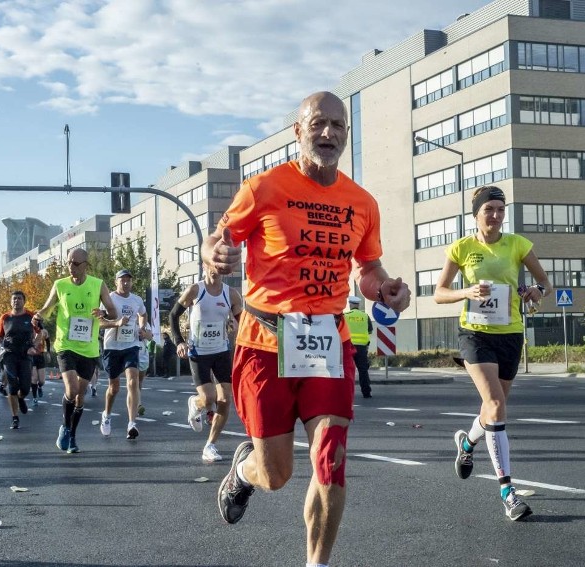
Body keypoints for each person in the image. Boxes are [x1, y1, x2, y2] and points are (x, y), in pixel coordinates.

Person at [202, 91, 410, 567]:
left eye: (338, 125)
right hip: (264, 343)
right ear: (298, 132)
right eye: (318, 123)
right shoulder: (263, 188)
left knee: (331, 459)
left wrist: (386, 290)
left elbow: (368, 268)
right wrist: (213, 254)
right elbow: (218, 238)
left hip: (326, 343)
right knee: (276, 474)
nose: (328, 133)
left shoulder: (361, 202)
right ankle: (244, 471)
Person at [433, 184, 551, 522]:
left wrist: (533, 291)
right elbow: (439, 293)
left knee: (493, 410)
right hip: (475, 334)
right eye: (490, 210)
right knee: (496, 405)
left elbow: (545, 283)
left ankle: (468, 445)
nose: (496, 215)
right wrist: (466, 291)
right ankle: (507, 493)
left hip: (510, 334)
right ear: (477, 214)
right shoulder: (462, 248)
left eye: (500, 209)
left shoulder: (517, 244)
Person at [32, 248, 118, 454]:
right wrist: (38, 315)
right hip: (66, 345)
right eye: (69, 263)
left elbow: (113, 311)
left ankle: (72, 433)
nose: (71, 267)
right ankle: (64, 426)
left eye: (76, 264)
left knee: (80, 396)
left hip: (88, 348)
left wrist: (103, 312)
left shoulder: (97, 285)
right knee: (71, 390)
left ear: (86, 265)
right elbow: (47, 307)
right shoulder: (60, 285)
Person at [170, 262, 243, 463]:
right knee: (208, 397)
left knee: (225, 399)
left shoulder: (232, 294)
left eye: (220, 265)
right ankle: (195, 403)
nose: (216, 269)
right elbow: (174, 315)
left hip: (220, 351)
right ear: (205, 267)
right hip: (198, 352)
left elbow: (242, 323)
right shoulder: (196, 289)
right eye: (212, 264)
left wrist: (234, 326)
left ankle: (210, 445)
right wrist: (179, 342)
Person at [99, 268, 147, 440]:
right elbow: (100, 323)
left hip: (131, 345)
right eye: (122, 280)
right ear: (116, 282)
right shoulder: (109, 299)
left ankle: (132, 423)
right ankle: (107, 415)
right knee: (114, 388)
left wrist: (141, 328)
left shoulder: (137, 300)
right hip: (112, 347)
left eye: (128, 280)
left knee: (133, 381)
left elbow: (143, 314)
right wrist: (116, 323)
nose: (126, 283)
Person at [0, 290, 39, 429]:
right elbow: (0, 335)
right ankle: (15, 417)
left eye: (19, 298)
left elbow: (40, 333)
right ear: (10, 301)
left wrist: (34, 346)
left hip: (25, 355)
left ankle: (21, 397)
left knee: (25, 387)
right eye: (14, 299)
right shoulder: (5, 317)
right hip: (9, 355)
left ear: (24, 301)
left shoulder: (31, 316)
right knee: (12, 387)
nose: (16, 301)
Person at [343, 296, 373, 398]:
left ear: (350, 304)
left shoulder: (345, 316)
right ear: (358, 305)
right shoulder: (365, 316)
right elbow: (370, 331)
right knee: (363, 370)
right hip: (361, 348)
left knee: (346, 370)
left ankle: (346, 393)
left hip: (348, 347)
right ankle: (366, 392)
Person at [29, 326, 50, 405]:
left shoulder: (44, 331)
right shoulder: (29, 329)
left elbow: (48, 341)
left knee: (42, 381)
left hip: (40, 356)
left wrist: (48, 352)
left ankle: (40, 387)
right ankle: (34, 398)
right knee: (34, 378)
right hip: (31, 356)